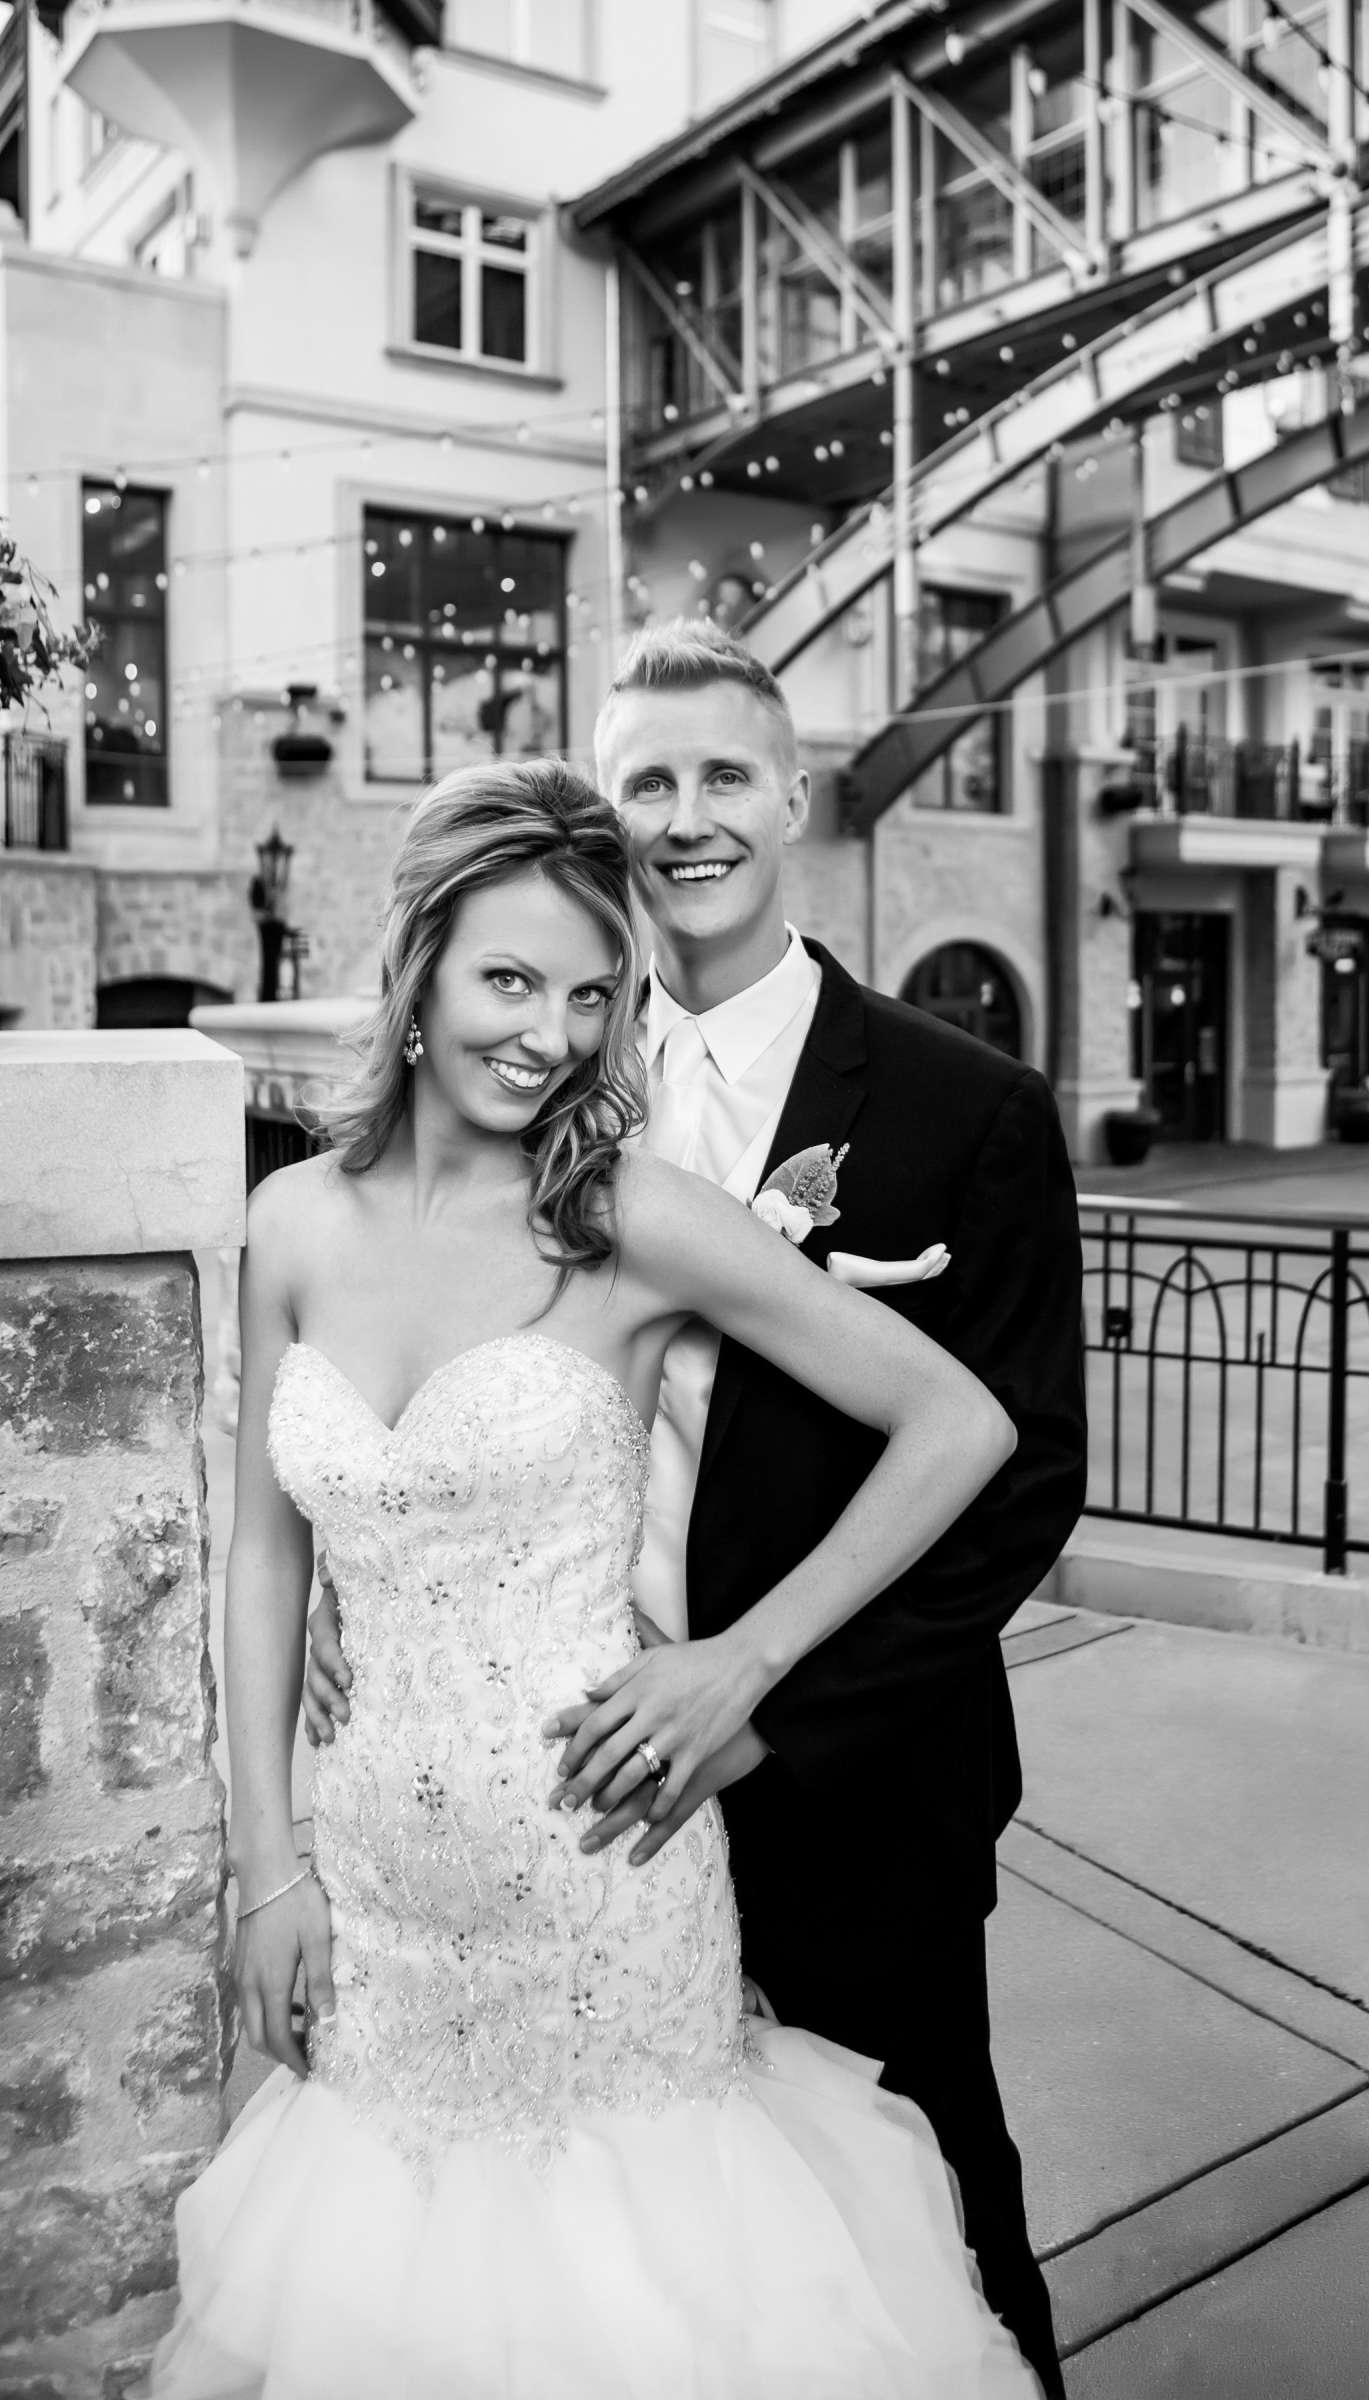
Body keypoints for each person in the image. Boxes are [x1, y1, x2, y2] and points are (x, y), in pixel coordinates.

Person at [151, 758, 1040, 2399]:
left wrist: (750, 1658)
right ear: (414, 969)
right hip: (373, 1905)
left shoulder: (625, 1214)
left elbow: (959, 1422)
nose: (548, 1035)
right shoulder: (288, 1221)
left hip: (599, 1888)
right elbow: (269, 1558)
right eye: (508, 979)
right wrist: (267, 1867)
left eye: (586, 994)